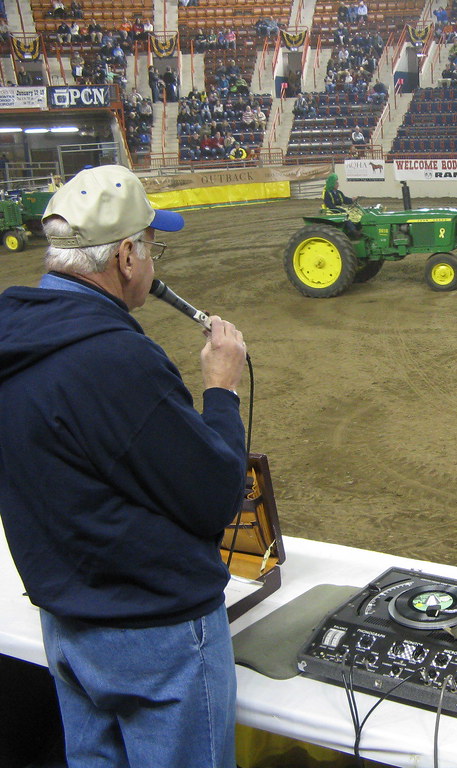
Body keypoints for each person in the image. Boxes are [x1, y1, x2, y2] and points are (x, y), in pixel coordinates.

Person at [0, 165, 248, 768]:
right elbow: (215, 498)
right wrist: (221, 391)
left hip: (67, 622)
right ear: (129, 259)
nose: (154, 261)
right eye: (153, 245)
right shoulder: (115, 360)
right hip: (156, 634)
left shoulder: (15, 337)